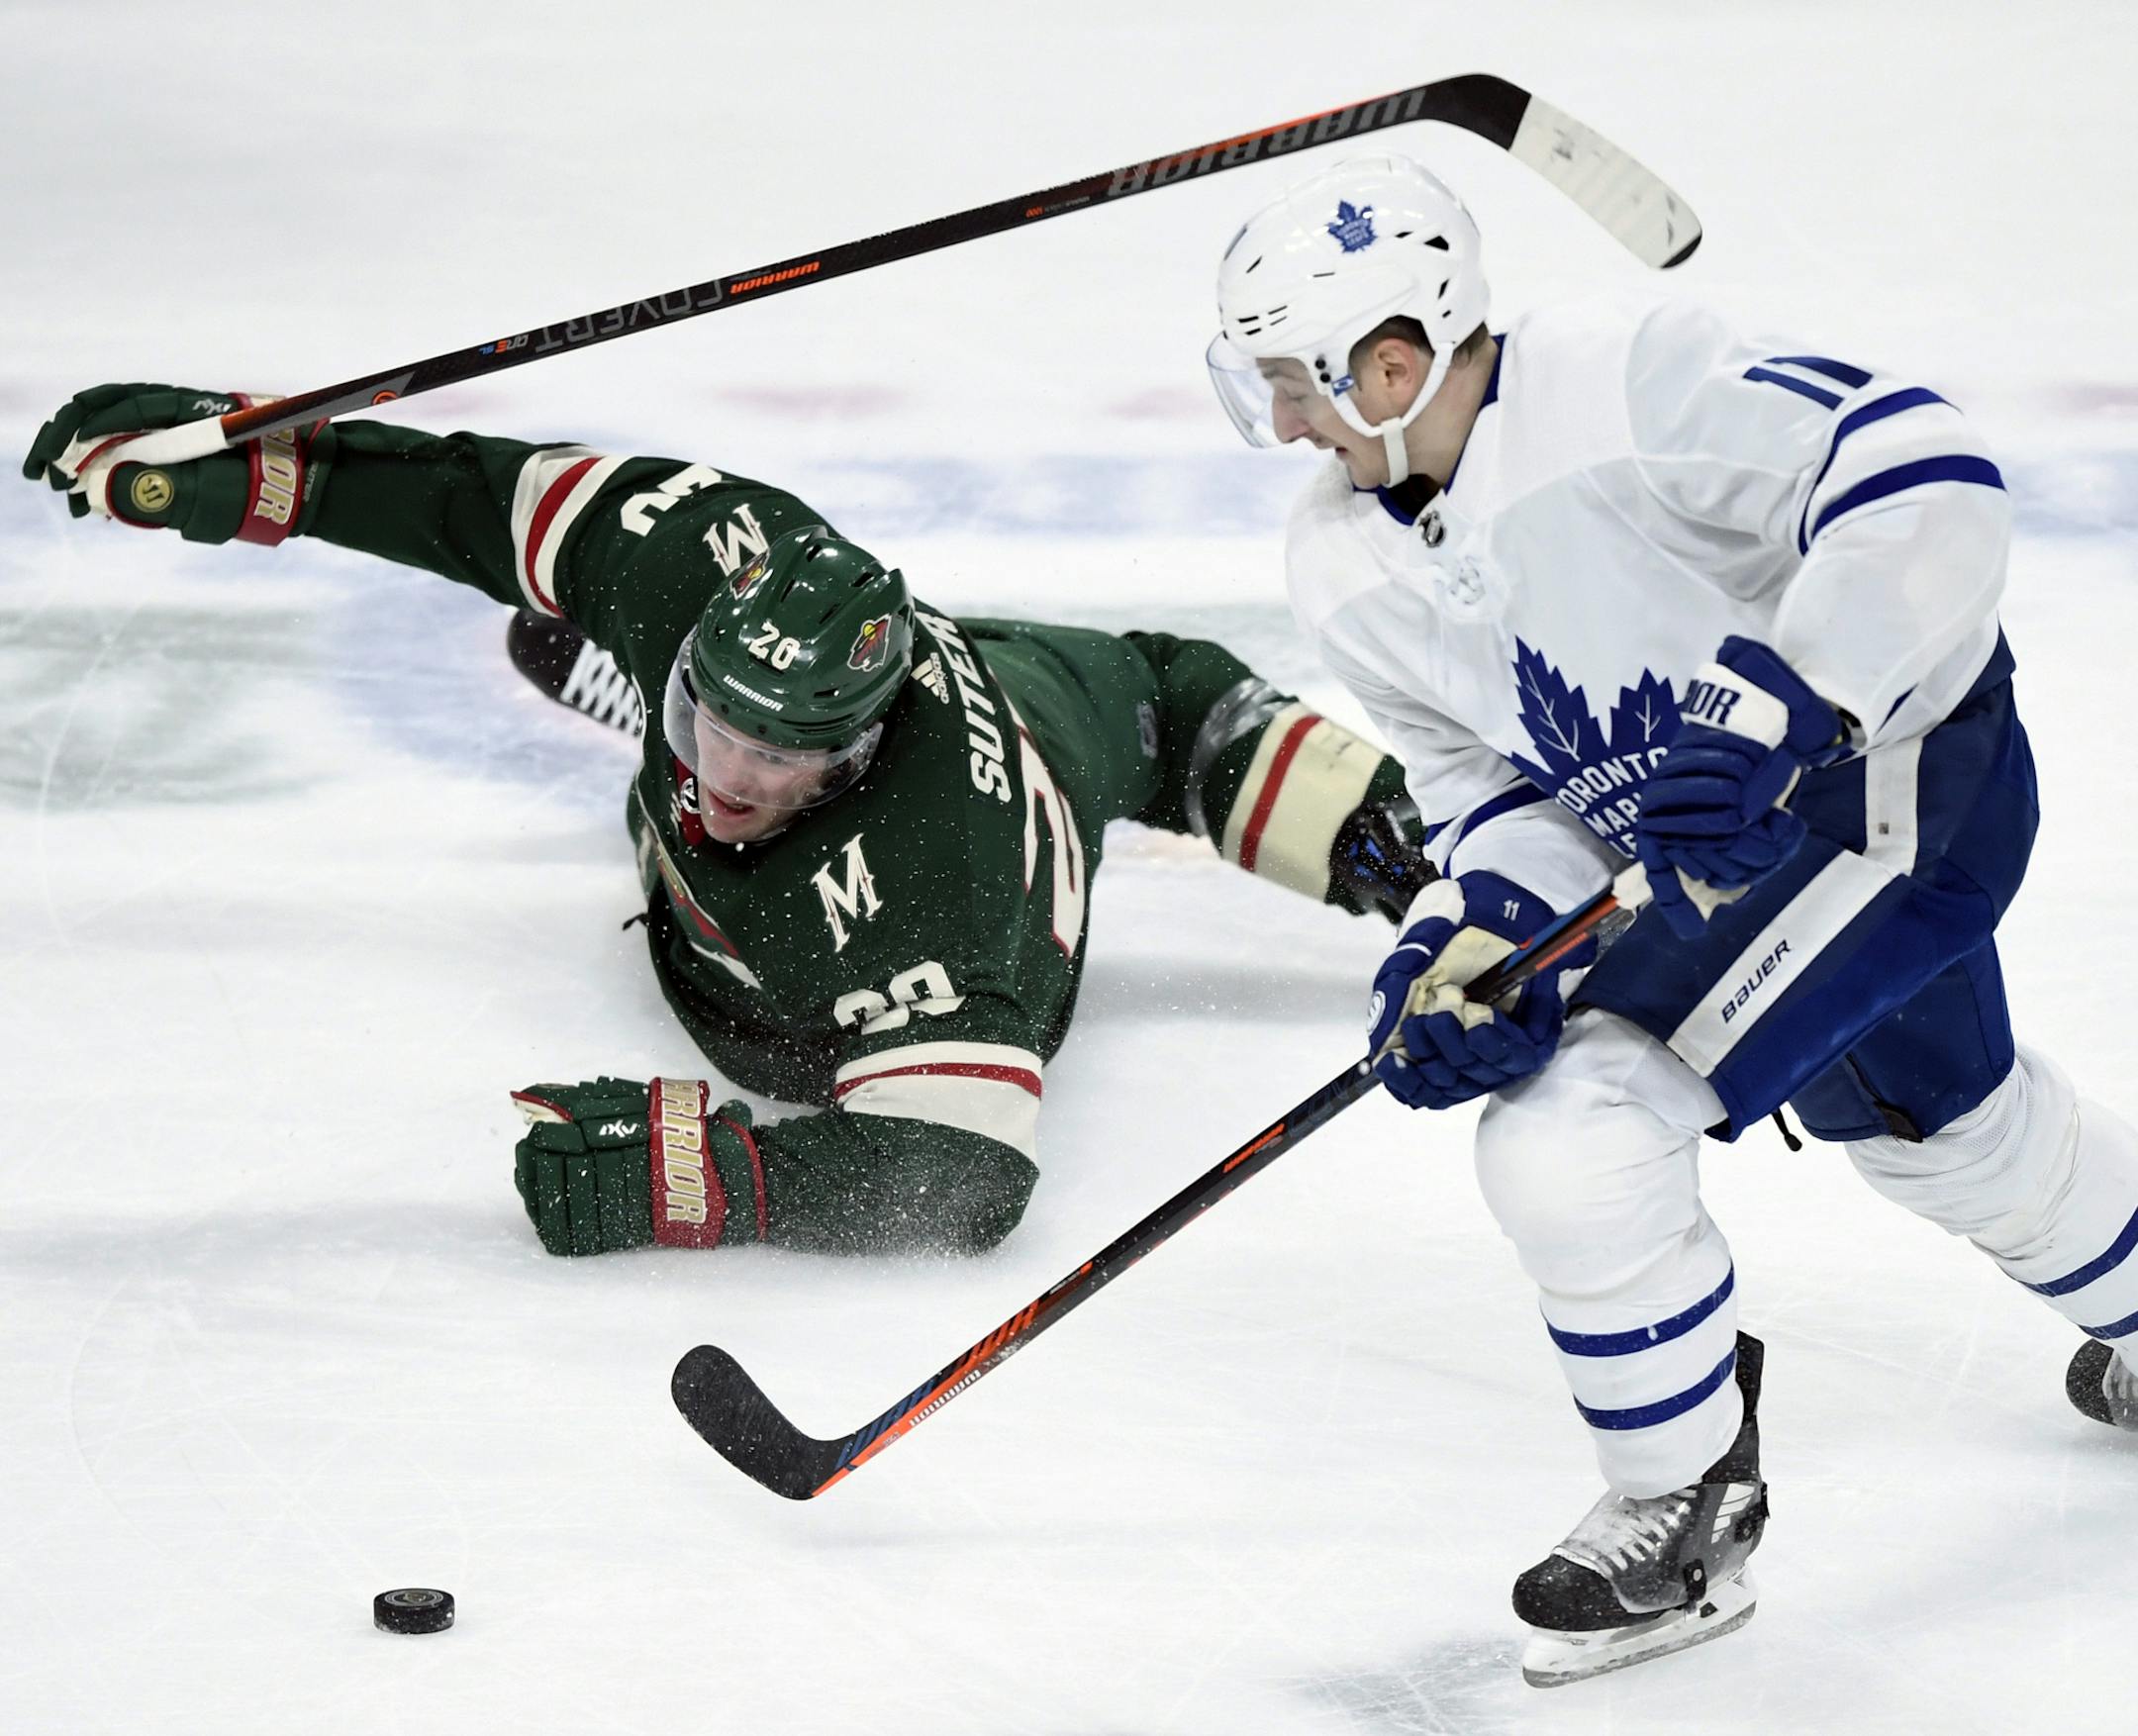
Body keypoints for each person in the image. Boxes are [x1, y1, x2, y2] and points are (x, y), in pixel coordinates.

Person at [1206, 155, 2138, 1686]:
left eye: (1297, 384)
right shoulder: (1339, 559)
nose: (1285, 425)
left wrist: (1799, 697)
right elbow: (1488, 792)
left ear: (1394, 359)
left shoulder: (1622, 383)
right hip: (1722, 858)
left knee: (1571, 1127)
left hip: (1900, 783)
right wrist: (1475, 940)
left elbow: (1924, 467)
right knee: (1942, 1127)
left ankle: (1683, 1496)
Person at [22, 384, 1428, 1260]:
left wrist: (709, 1171)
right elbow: (471, 498)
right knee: (643, 665)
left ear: (861, 750)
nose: (730, 775)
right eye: (707, 721)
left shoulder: (931, 874)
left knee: (1177, 716)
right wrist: (272, 464)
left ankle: (1429, 848)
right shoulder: (710, 556)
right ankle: (630, 664)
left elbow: (967, 1176)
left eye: (777, 758)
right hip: (979, 671)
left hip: (914, 905)